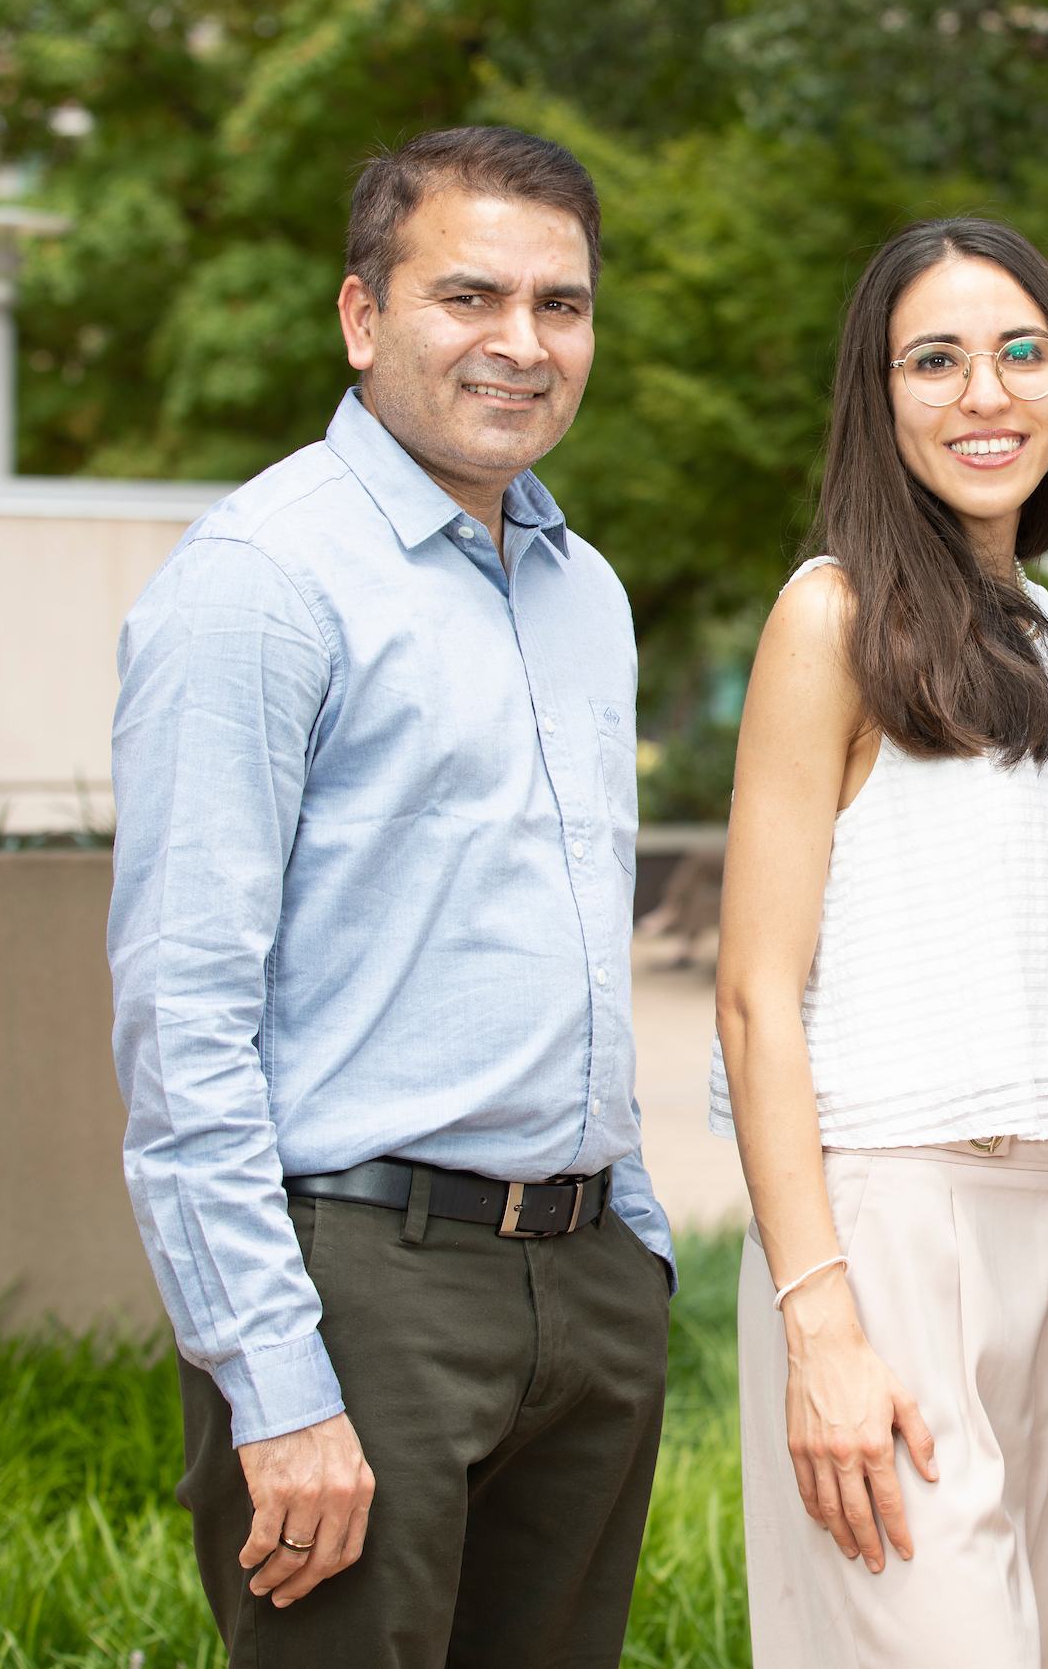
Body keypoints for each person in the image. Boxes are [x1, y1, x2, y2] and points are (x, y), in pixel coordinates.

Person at [109, 126, 674, 1668]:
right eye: (470, 296)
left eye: (562, 306)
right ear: (363, 318)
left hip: (586, 1286)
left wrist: (633, 1239)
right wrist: (273, 1385)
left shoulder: (587, 590)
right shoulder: (259, 581)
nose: (522, 343)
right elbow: (184, 1020)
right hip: (358, 1288)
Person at [708, 217, 1048, 1668]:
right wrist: (820, 1320)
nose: (987, 394)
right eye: (937, 360)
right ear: (878, 396)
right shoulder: (829, 618)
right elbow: (758, 997)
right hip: (894, 1222)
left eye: (1023, 353)